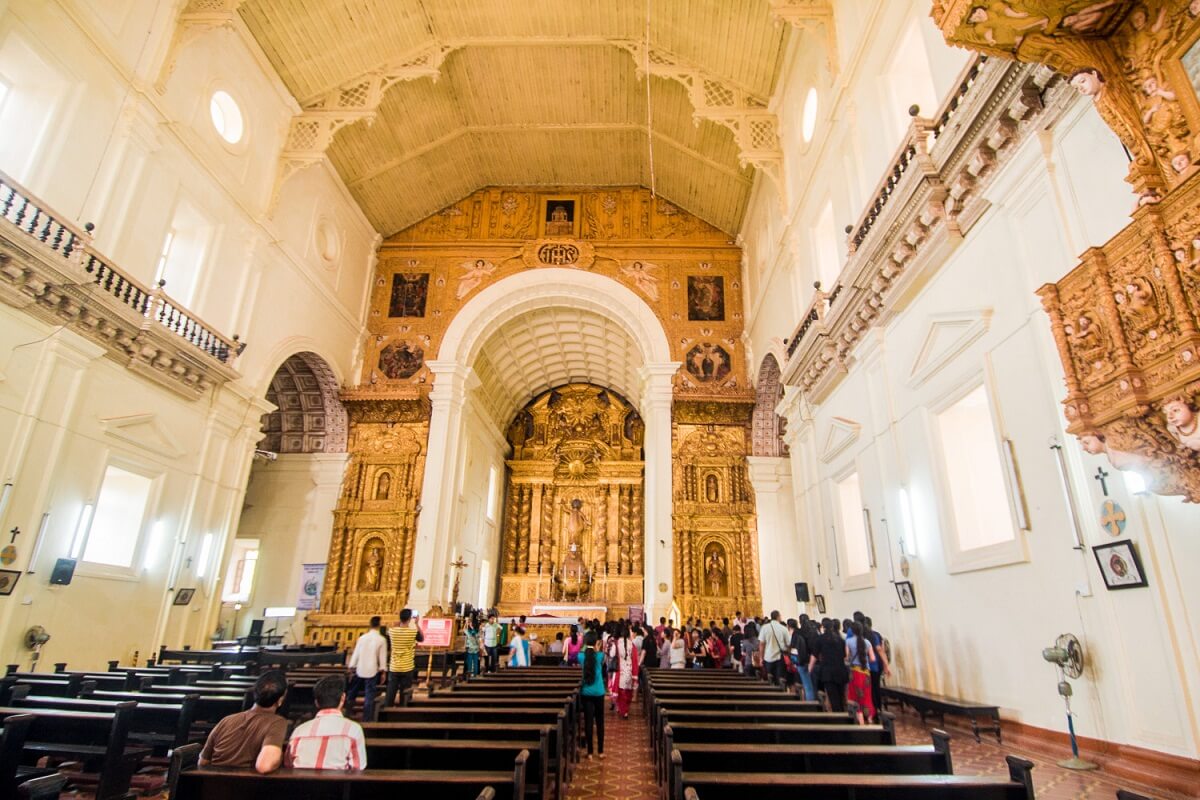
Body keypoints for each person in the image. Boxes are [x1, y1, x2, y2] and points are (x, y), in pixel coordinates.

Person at [199, 671, 288, 773]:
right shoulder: (277, 723)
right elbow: (264, 766)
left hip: (211, 783)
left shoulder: (227, 720)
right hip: (246, 785)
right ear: (280, 700)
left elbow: (203, 762)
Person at [286, 674, 367, 769]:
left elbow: (288, 764)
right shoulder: (353, 730)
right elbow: (358, 768)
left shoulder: (299, 731)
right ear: (342, 698)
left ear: (316, 702)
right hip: (337, 783)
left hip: (302, 783)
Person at [346, 615, 387, 721]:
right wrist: (383, 671)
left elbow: (356, 653)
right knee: (369, 695)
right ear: (379, 625)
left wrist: (351, 667)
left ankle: (347, 713)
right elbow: (382, 658)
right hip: (372, 670)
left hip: (360, 668)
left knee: (352, 693)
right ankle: (367, 718)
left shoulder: (362, 638)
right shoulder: (381, 639)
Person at [578, 632, 607, 759]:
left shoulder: (581, 656)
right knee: (600, 722)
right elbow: (601, 655)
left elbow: (582, 652)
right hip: (599, 692)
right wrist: (597, 646)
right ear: (596, 643)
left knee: (589, 721)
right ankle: (600, 751)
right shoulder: (600, 656)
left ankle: (589, 752)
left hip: (586, 692)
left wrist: (587, 646)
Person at [811, 618, 849, 712]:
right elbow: (845, 655)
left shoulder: (820, 639)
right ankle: (844, 714)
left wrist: (810, 668)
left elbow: (815, 655)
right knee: (841, 696)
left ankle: (839, 718)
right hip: (841, 670)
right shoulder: (840, 639)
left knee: (833, 697)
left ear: (823, 627)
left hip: (828, 671)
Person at [386, 608, 423, 705]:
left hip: (394, 667)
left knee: (390, 692)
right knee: (405, 693)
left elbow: (390, 630)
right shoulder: (412, 632)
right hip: (407, 667)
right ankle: (403, 710)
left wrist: (398, 623)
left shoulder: (392, 632)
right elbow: (421, 638)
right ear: (410, 618)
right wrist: (416, 624)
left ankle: (386, 712)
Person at [845, 621, 876, 724]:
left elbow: (847, 657)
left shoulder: (848, 641)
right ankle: (870, 718)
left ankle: (860, 718)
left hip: (854, 672)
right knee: (867, 695)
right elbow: (872, 658)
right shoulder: (867, 642)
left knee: (854, 696)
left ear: (852, 631)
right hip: (866, 672)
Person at [863, 616, 890, 721]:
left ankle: (871, 711)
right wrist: (886, 664)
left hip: (867, 666)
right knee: (876, 687)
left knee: (869, 689)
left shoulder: (863, 636)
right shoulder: (876, 635)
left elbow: (880, 649)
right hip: (876, 666)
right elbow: (881, 650)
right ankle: (878, 708)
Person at [611, 624, 639, 718]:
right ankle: (625, 710)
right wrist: (635, 674)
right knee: (628, 692)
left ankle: (622, 709)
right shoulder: (632, 645)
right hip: (629, 670)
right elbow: (635, 659)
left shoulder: (616, 643)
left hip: (620, 671)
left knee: (620, 692)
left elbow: (611, 655)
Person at [760, 610, 790, 685]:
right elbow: (789, 644)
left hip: (767, 657)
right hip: (779, 657)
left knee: (769, 680)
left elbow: (761, 644)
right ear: (778, 617)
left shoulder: (764, 628)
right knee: (780, 679)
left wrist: (761, 658)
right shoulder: (783, 628)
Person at [788, 618, 813, 701]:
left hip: (801, 661)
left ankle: (810, 703)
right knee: (810, 684)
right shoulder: (810, 633)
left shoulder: (796, 634)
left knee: (806, 684)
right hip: (811, 661)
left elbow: (793, 648)